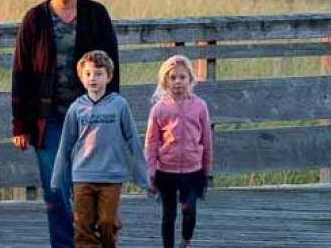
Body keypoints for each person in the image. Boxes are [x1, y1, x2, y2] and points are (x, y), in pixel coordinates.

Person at [11, 0, 120, 248]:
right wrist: (20, 124)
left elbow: (113, 67)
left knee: (91, 187)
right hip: (49, 120)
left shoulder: (96, 14)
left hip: (92, 119)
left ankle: (93, 242)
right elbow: (21, 73)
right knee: (56, 190)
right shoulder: (34, 18)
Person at [51, 50, 151, 248]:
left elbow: (132, 140)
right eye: (88, 74)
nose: (93, 78)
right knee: (82, 226)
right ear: (81, 77)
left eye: (98, 73)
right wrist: (56, 178)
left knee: (106, 223)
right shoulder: (76, 108)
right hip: (82, 176)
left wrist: (143, 177)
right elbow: (65, 145)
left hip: (111, 176)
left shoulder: (119, 105)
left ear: (108, 76)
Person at [144, 55, 214, 248]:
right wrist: (149, 172)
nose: (177, 82)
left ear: (190, 79)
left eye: (182, 77)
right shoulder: (159, 109)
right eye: (172, 78)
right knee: (169, 214)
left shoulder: (200, 106)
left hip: (193, 170)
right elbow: (151, 143)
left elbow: (206, 138)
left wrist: (207, 168)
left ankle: (186, 239)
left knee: (189, 210)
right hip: (166, 170)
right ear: (165, 81)